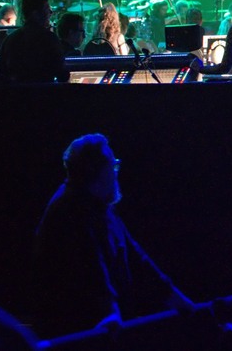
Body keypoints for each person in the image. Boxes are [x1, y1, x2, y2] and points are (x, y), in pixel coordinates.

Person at [33, 134, 197, 338]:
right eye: (113, 165)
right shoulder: (68, 210)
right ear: (97, 172)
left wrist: (177, 299)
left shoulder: (101, 208)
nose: (116, 172)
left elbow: (137, 258)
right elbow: (91, 263)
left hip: (104, 327)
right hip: (79, 332)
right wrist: (109, 311)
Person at [0, 0, 67, 83]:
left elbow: (1, 72)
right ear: (35, 13)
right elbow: (62, 74)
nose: (50, 12)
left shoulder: (11, 39)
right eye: (46, 9)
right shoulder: (49, 38)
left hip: (15, 91)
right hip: (44, 90)